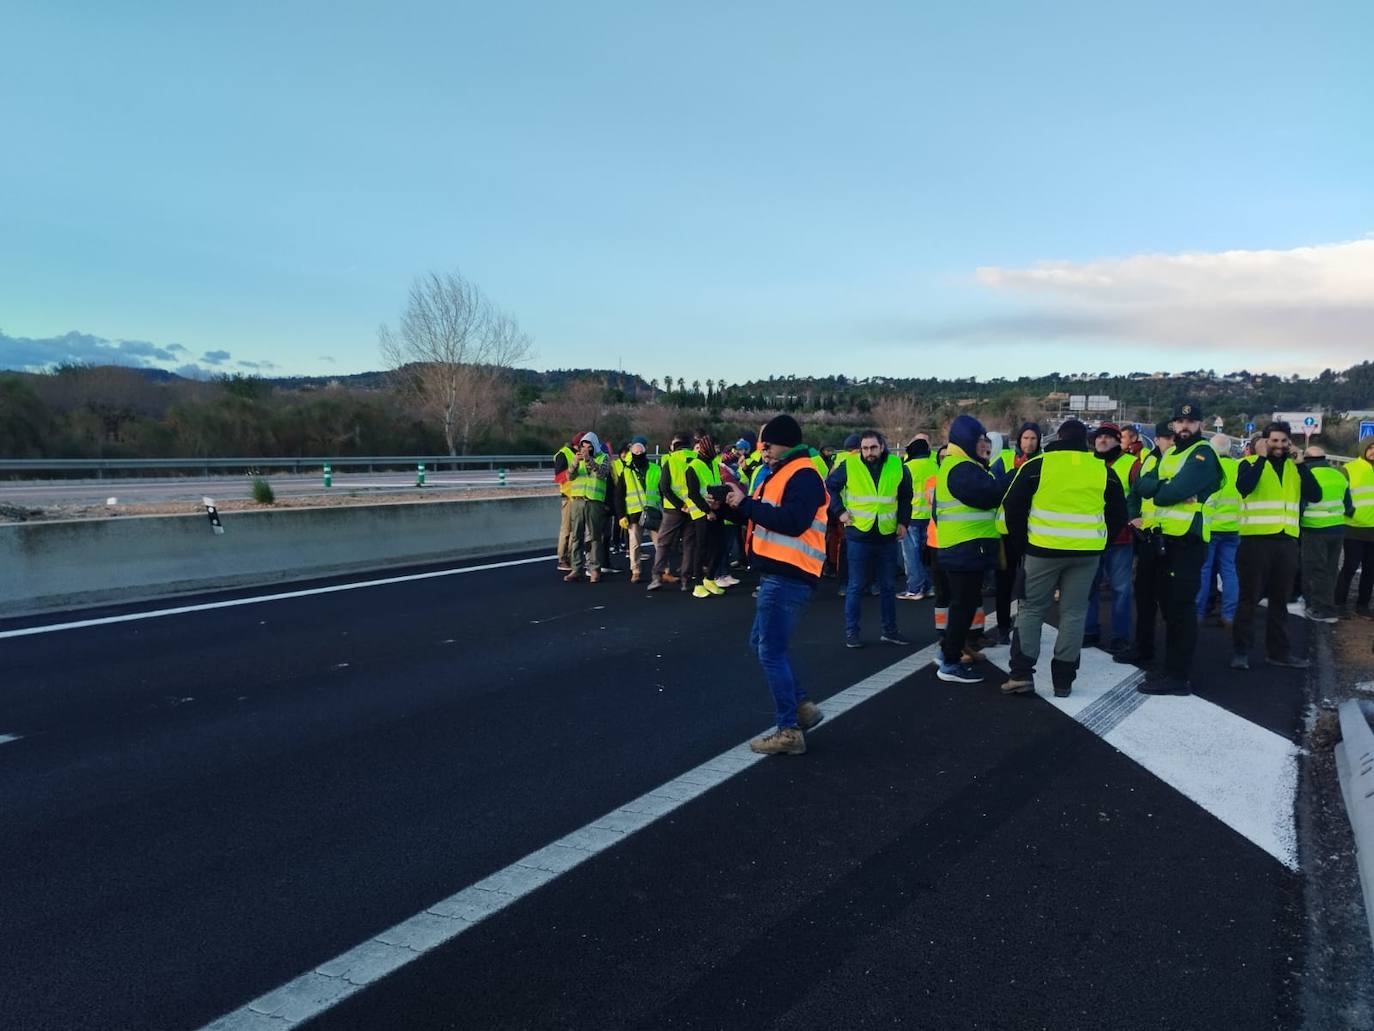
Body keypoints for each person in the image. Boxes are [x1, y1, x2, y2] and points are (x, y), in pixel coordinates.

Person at [998, 419, 1127, 697]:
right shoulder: (1102, 470)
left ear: (1057, 438)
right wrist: (1101, 543)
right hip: (1086, 554)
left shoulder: (1038, 466)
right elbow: (1119, 512)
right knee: (1074, 613)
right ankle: (1063, 682)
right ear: (1086, 442)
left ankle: (1021, 674)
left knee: (1031, 610)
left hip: (1042, 550)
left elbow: (1013, 506)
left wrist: (1023, 544)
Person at [725, 414, 828, 756]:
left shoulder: (803, 474)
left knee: (769, 650)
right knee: (761, 643)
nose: (762, 451)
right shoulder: (779, 473)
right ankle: (801, 708)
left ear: (784, 443)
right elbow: (761, 516)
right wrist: (733, 508)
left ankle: (789, 730)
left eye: (766, 444)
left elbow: (793, 522)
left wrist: (748, 504)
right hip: (780, 573)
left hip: (790, 573)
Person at [1133, 402, 1223, 694]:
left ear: (1201, 425)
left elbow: (1168, 493)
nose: (1185, 426)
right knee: (1170, 609)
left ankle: (1178, 677)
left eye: (1191, 421)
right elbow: (1142, 487)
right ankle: (1171, 668)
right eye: (1180, 422)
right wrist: (1166, 486)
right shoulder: (1173, 453)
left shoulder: (1203, 454)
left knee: (1181, 611)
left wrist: (1165, 488)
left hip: (1188, 541)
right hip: (1166, 541)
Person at [1230, 421, 1320, 669]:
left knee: (1281, 600)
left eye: (1283, 441)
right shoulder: (1248, 464)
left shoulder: (1295, 468)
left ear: (1289, 442)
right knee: (1249, 598)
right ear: (1266, 442)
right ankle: (1241, 652)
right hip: (1255, 541)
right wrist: (1260, 459)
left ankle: (1278, 652)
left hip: (1286, 542)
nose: (1278, 445)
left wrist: (1302, 466)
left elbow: (1315, 495)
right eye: (1274, 441)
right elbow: (1244, 487)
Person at [825, 429, 914, 648]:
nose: (869, 452)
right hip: (859, 534)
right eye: (865, 448)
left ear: (882, 446)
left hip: (886, 534)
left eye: (873, 447)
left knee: (888, 586)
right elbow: (830, 487)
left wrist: (903, 522)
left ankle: (890, 631)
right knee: (856, 585)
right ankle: (852, 633)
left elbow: (905, 496)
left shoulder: (897, 466)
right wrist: (839, 511)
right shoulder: (850, 464)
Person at [933, 415, 1004, 683]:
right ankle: (950, 663)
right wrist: (1007, 480)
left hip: (961, 548)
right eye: (981, 440)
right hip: (965, 549)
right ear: (967, 440)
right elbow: (989, 495)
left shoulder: (957, 465)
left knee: (961, 606)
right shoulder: (962, 468)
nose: (985, 445)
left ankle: (946, 654)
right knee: (962, 608)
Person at [1114, 421, 1174, 668]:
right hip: (1148, 538)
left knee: (1171, 602)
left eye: (1173, 438)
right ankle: (1143, 648)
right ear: (1157, 439)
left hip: (1175, 539)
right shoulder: (1148, 460)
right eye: (1165, 438)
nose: (1170, 443)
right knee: (1144, 597)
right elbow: (1135, 493)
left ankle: (1171, 659)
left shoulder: (1184, 462)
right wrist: (1132, 518)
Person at [1082, 422, 1138, 654]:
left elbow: (1138, 497)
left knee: (1121, 590)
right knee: (1088, 588)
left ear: (1118, 440)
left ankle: (1120, 637)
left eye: (1108, 437)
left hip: (1120, 539)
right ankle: (1089, 631)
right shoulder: (1087, 463)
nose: (1102, 440)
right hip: (1092, 536)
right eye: (1099, 437)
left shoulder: (1132, 464)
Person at [991, 422, 1042, 641]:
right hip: (1005, 532)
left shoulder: (1045, 462)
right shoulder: (1002, 460)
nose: (1029, 443)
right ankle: (1003, 627)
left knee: (1033, 583)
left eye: (1033, 438)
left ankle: (1028, 627)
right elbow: (993, 488)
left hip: (1035, 532)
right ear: (1018, 440)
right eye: (1025, 438)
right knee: (1004, 581)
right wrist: (1015, 473)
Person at [1299, 445, 1353, 623]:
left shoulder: (1307, 476)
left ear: (1306, 459)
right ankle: (1327, 603)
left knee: (1316, 569)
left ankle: (1321, 608)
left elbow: (1302, 504)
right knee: (1330, 569)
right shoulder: (1338, 475)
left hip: (1314, 528)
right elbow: (1348, 505)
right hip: (1337, 528)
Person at [1197, 434, 1241, 627]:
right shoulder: (1239, 467)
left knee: (1204, 571)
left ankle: (1198, 613)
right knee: (1229, 572)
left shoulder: (1208, 468)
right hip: (1233, 528)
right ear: (1229, 449)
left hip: (1210, 528)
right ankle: (1229, 615)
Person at [648, 433, 696, 591]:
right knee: (689, 545)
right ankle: (686, 580)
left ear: (675, 447)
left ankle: (657, 576)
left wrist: (679, 504)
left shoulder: (671, 460)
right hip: (694, 508)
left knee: (663, 543)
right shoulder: (697, 459)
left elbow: (665, 487)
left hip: (673, 509)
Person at [563, 432, 611, 583]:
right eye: (583, 446)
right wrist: (575, 463)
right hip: (577, 500)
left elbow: (601, 474)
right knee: (576, 536)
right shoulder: (576, 458)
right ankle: (576, 568)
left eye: (588, 446)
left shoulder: (603, 457)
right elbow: (569, 477)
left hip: (594, 501)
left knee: (595, 536)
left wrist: (589, 459)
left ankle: (595, 568)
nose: (584, 449)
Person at [1337, 435, 1374, 617]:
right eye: (1370, 447)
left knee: (1370, 570)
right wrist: (1350, 512)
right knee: (1350, 567)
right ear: (1363, 449)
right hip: (1354, 529)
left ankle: (1363, 605)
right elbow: (1340, 495)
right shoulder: (1349, 469)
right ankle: (1340, 603)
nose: (1373, 451)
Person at [616, 436, 661, 583]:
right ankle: (635, 571)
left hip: (653, 512)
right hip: (634, 514)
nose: (638, 452)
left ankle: (664, 569)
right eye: (635, 449)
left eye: (640, 449)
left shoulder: (655, 469)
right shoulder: (627, 471)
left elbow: (663, 490)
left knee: (660, 543)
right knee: (634, 543)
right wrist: (621, 515)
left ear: (646, 449)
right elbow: (619, 495)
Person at [898, 434, 937, 601]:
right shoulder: (935, 466)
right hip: (931, 517)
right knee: (922, 555)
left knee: (911, 555)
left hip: (912, 517)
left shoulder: (907, 467)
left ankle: (915, 587)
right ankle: (928, 586)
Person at [552, 435, 580, 572]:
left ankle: (570, 557)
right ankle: (562, 558)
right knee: (566, 529)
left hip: (577, 497)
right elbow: (558, 477)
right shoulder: (563, 454)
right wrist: (571, 473)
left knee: (575, 531)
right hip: (568, 496)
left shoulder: (577, 455)